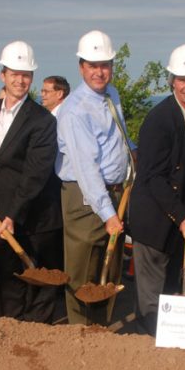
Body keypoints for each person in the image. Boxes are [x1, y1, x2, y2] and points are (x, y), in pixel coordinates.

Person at [0, 41, 63, 323]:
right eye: (14, 73)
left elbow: (35, 173)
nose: (20, 79)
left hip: (35, 213)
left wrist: (13, 214)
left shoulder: (43, 121)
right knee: (4, 275)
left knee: (38, 284)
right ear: (3, 75)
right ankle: (9, 333)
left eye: (26, 74)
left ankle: (38, 341)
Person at [129, 44, 185, 333]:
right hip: (154, 216)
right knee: (151, 297)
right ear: (172, 81)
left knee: (172, 287)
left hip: (178, 212)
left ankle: (169, 346)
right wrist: (182, 215)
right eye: (183, 79)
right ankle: (147, 344)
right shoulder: (159, 120)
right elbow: (152, 177)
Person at [55, 30, 130, 325]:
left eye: (105, 65)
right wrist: (108, 214)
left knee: (108, 269)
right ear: (81, 67)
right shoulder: (74, 110)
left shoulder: (112, 95)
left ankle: (102, 329)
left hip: (113, 192)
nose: (100, 72)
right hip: (86, 198)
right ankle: (81, 334)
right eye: (92, 65)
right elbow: (86, 169)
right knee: (84, 269)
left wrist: (133, 154)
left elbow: (117, 138)